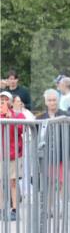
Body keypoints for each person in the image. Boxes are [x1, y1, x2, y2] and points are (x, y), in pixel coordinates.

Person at [1, 91, 25, 221]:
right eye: (1, 100)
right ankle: (1, 209)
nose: (3, 102)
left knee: (13, 182)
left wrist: (11, 118)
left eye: (6, 100)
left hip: (13, 154)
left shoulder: (18, 115)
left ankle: (14, 209)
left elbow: (23, 128)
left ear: (10, 102)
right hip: (0, 154)